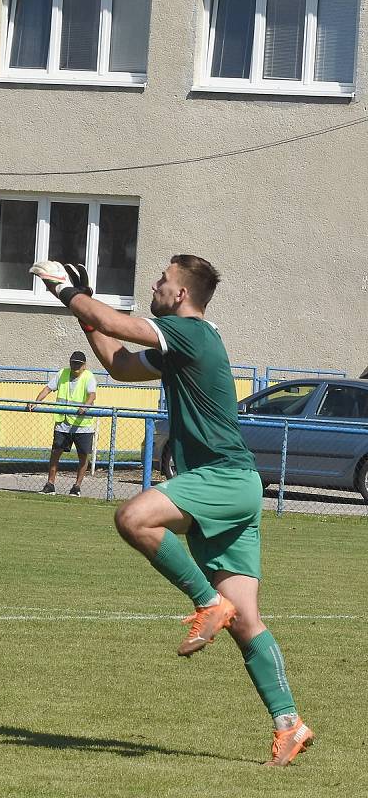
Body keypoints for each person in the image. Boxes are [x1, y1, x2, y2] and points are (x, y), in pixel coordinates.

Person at [30, 256, 313, 766]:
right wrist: (84, 310)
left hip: (223, 479)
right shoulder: (181, 344)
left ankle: (207, 602)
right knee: (247, 623)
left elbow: (124, 326)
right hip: (237, 486)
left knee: (132, 518)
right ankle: (289, 724)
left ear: (181, 295)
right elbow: (118, 362)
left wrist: (66, 292)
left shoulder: (189, 332)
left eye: (163, 280)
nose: (156, 286)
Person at [27, 351, 97, 496]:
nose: (75, 366)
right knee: (55, 453)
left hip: (82, 424)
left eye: (78, 364)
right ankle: (50, 484)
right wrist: (36, 402)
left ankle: (76, 487)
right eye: (73, 363)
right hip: (63, 422)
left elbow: (92, 395)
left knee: (83, 456)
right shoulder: (62, 374)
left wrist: (85, 406)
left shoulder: (89, 377)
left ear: (84, 365)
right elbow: (48, 388)